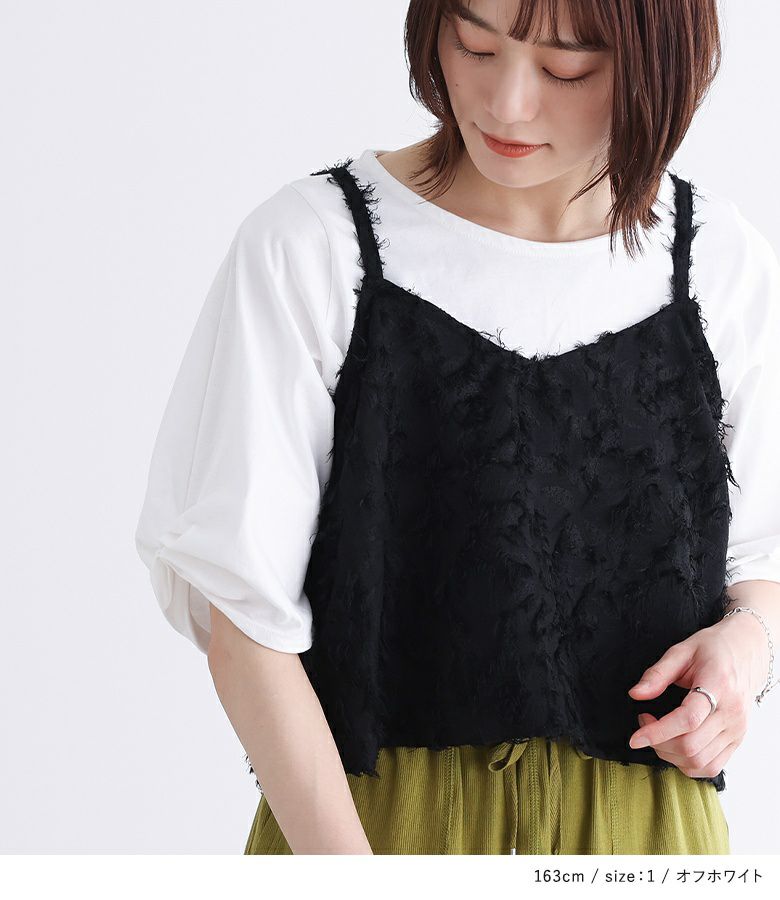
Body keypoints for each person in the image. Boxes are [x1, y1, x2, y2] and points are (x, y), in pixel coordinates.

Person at [135, 0, 780, 855]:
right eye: (475, 46)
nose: (506, 104)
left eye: (567, 68)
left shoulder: (719, 264)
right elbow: (243, 620)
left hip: (649, 837)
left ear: (659, 61)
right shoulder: (316, 246)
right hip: (369, 827)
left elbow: (760, 563)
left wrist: (745, 649)